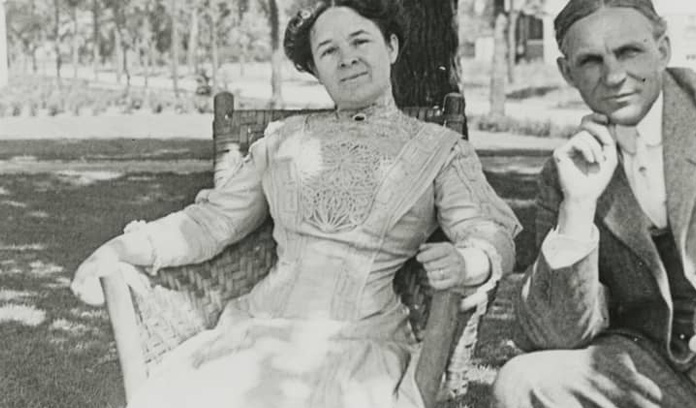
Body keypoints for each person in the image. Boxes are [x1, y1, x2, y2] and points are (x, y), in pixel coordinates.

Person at [70, 1, 520, 407]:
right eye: (328, 51)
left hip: (361, 345)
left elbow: (490, 233)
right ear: (316, 70)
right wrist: (118, 249)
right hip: (256, 334)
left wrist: (469, 263)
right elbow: (209, 223)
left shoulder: (439, 150)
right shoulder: (282, 140)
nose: (347, 58)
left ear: (392, 47)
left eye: (360, 41)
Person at [491, 0, 696, 407]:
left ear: (663, 49)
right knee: (521, 382)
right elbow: (552, 334)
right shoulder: (565, 173)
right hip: (655, 365)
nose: (614, 76)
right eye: (590, 61)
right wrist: (579, 206)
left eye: (629, 52)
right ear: (567, 73)